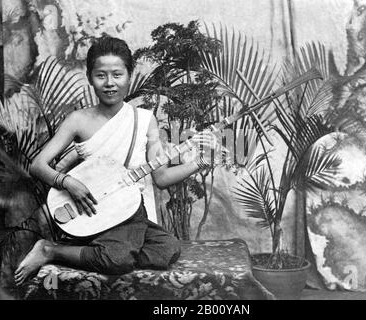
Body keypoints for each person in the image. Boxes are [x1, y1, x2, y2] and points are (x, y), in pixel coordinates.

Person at [14, 36, 218, 286]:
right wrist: (68, 182)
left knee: (167, 249)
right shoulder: (78, 120)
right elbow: (38, 165)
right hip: (94, 207)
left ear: (129, 75)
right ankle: (50, 250)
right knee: (118, 260)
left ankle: (98, 244)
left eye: (117, 74)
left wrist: (200, 162)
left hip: (130, 209)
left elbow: (161, 178)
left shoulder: (145, 120)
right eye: (101, 75)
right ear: (90, 77)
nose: (110, 83)